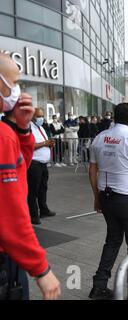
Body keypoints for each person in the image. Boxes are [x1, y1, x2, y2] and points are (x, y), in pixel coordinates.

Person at [0, 53, 60, 300]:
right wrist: (41, 269)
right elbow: (11, 210)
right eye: (13, 83)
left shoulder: (7, 132)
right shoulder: (2, 135)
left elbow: (19, 171)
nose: (17, 90)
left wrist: (23, 129)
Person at [89, 102, 128, 300]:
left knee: (113, 240)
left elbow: (92, 170)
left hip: (106, 197)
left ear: (114, 117)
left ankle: (99, 286)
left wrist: (96, 197)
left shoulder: (99, 138)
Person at [27, 108, 56, 225]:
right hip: (34, 163)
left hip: (43, 163)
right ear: (33, 116)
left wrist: (49, 144)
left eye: (42, 116)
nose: (41, 118)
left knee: (43, 188)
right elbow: (29, 145)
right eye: (39, 116)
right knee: (33, 190)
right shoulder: (28, 127)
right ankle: (33, 215)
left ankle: (43, 209)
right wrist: (45, 143)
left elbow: (43, 141)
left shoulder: (41, 127)